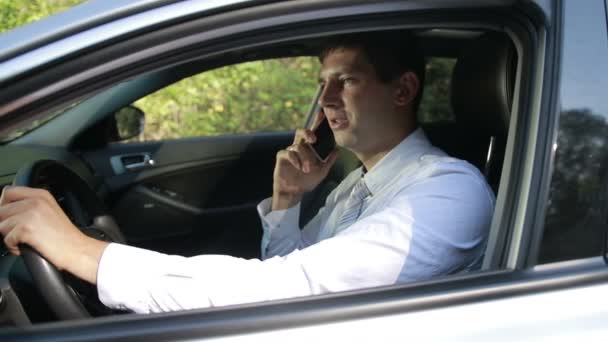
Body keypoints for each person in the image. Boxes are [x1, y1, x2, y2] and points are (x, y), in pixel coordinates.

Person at [0, 32, 494, 314]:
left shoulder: (448, 192)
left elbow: (283, 292)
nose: (325, 101)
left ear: (403, 90)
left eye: (347, 82)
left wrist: (84, 253)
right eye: (323, 84)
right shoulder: (355, 187)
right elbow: (291, 284)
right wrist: (286, 201)